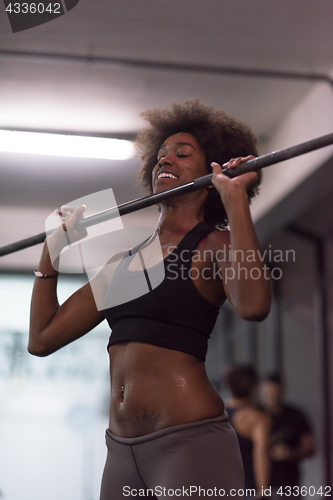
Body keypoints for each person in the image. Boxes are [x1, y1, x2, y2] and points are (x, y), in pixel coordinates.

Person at [29, 99, 271, 499]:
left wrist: (235, 200)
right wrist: (51, 251)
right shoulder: (121, 265)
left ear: (212, 170)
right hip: (121, 451)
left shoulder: (213, 245)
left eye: (182, 153)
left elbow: (254, 307)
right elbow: (41, 340)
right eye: (160, 155)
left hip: (189, 442)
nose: (166, 159)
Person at [260, 374, 316, 497]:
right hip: (259, 485)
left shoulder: (296, 415)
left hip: (289, 486)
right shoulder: (254, 415)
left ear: (282, 391)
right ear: (262, 391)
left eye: (276, 393)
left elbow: (310, 448)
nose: (273, 398)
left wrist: (291, 453)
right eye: (269, 394)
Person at [225, 364, 272, 499]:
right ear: (254, 387)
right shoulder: (257, 418)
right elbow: (261, 452)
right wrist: (263, 491)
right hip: (248, 489)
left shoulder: (218, 413)